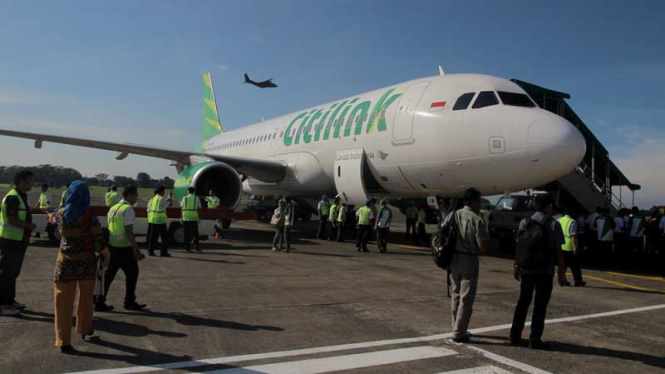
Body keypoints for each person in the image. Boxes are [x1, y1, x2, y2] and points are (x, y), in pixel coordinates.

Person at [53, 181, 109, 353]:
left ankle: (63, 341)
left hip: (65, 263)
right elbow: (97, 236)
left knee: (62, 303)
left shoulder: (60, 213)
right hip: (86, 263)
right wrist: (104, 251)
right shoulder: (88, 214)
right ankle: (84, 328)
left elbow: (55, 220)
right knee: (85, 299)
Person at [510, 193, 565, 349]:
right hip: (545, 271)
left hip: (527, 269)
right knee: (540, 305)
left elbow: (519, 246)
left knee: (523, 302)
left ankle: (514, 336)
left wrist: (516, 266)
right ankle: (534, 339)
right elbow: (559, 252)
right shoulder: (554, 224)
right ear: (549, 206)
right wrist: (561, 273)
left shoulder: (524, 222)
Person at [441, 188, 489, 343]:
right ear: (474, 202)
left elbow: (443, 230)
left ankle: (456, 326)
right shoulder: (477, 219)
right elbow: (482, 245)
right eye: (479, 201)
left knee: (455, 293)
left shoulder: (453, 214)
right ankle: (459, 332)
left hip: (453, 258)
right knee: (466, 297)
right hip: (469, 259)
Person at [95, 185, 146, 312]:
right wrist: (137, 250)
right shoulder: (128, 209)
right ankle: (129, 301)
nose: (136, 197)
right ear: (129, 195)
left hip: (113, 246)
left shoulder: (114, 207)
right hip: (124, 248)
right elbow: (129, 231)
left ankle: (99, 301)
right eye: (135, 195)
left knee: (109, 275)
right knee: (132, 274)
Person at [0, 170, 37, 316]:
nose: (32, 184)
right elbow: (11, 219)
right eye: (30, 181)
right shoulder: (13, 197)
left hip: (19, 240)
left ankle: (9, 301)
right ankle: (2, 304)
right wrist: (30, 226)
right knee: (5, 273)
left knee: (13, 273)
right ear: (22, 181)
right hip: (9, 240)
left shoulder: (23, 197)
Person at [558, 209, 585, 287]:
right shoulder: (572, 221)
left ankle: (562, 280)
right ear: (572, 214)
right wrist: (575, 247)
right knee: (575, 266)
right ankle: (578, 281)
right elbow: (573, 235)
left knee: (563, 265)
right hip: (569, 245)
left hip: (561, 244)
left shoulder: (559, 220)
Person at [146, 186, 170, 257]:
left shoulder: (152, 199)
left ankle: (151, 251)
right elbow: (168, 204)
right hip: (160, 221)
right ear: (161, 192)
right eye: (164, 192)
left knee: (153, 237)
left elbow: (148, 209)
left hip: (152, 220)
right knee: (164, 238)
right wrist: (169, 198)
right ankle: (163, 252)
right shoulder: (161, 198)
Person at [181, 187, 202, 253]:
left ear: (188, 191)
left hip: (186, 217)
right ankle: (196, 247)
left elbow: (182, 208)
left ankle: (187, 247)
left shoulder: (184, 198)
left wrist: (181, 217)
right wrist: (199, 218)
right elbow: (199, 208)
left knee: (186, 233)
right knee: (195, 233)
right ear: (193, 191)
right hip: (194, 217)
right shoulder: (196, 198)